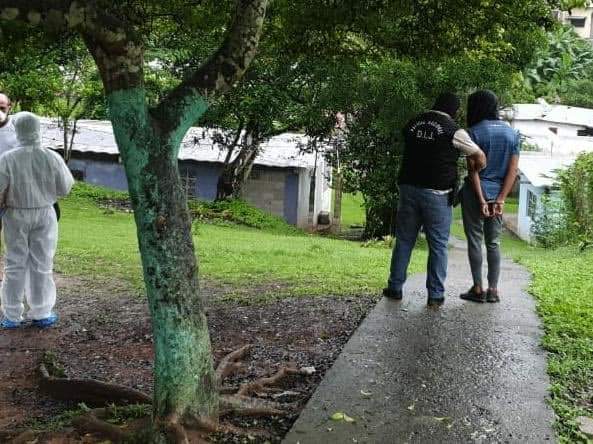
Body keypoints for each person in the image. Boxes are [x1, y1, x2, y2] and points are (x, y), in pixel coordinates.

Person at [383, 93, 487, 307]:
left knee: (404, 240)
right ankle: (435, 295)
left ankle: (394, 287)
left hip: (408, 188)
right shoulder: (454, 130)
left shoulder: (413, 123)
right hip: (437, 194)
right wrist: (478, 168)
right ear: (455, 110)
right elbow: (479, 155)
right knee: (438, 245)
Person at [0, 112, 74, 329]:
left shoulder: (7, 159)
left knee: (15, 263)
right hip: (45, 213)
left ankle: (12, 315)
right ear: (38, 129)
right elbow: (65, 187)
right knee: (42, 263)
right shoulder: (51, 156)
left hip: (15, 214)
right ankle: (41, 312)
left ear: (17, 130)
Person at [459, 90, 520, 303]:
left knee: (475, 240)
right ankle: (493, 290)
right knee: (493, 243)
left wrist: (481, 200)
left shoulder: (472, 132)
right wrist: (501, 198)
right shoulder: (512, 133)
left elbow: (473, 170)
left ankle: (477, 288)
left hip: (475, 193)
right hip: (498, 194)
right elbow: (513, 171)